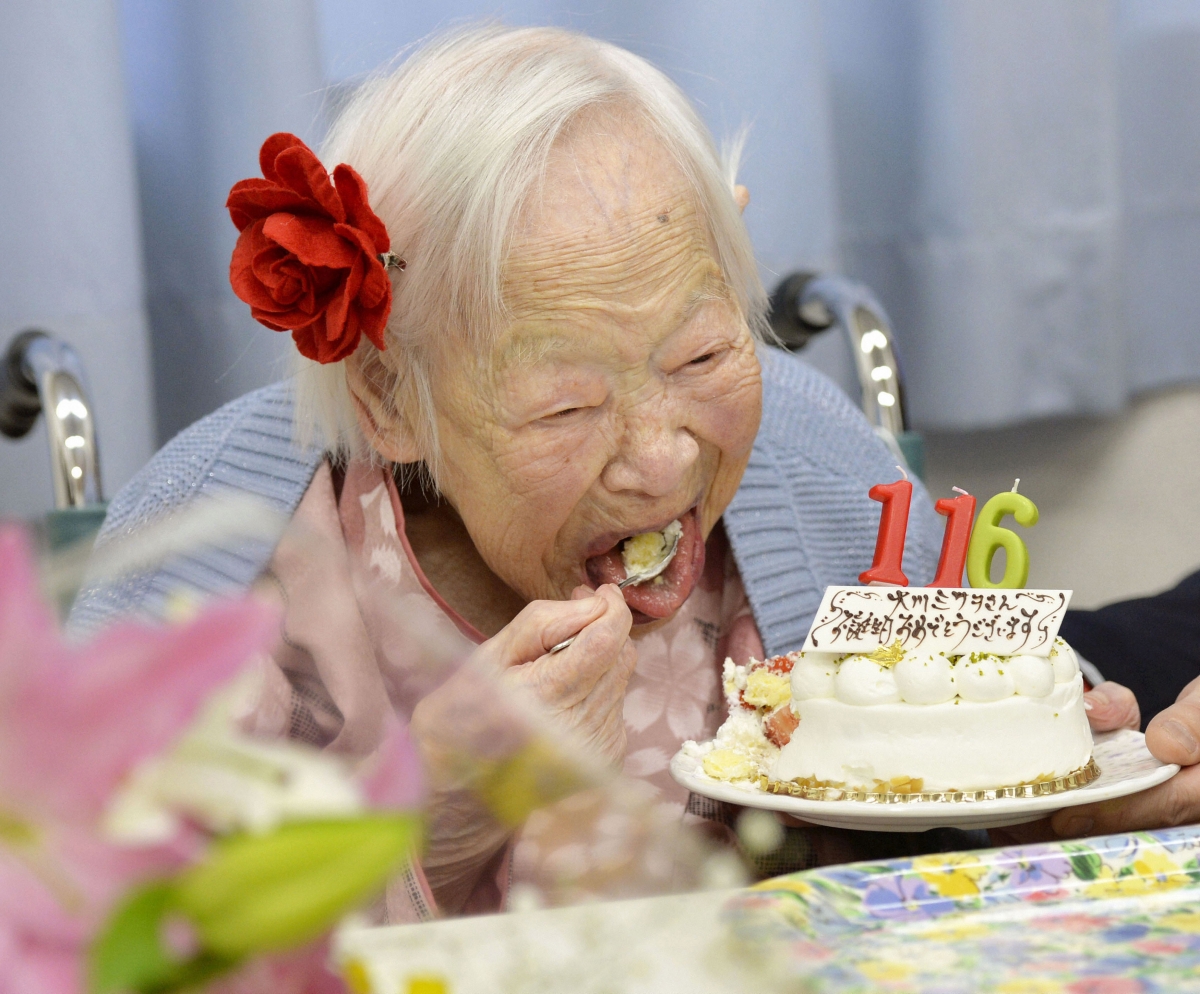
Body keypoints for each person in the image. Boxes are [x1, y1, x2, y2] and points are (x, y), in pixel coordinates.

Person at [69, 25, 1197, 918]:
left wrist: (1052, 822)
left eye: (704, 353)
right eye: (566, 404)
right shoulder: (222, 565)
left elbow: (956, 825)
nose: (664, 456)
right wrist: (430, 821)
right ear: (388, 400)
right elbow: (92, 942)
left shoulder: (803, 455)